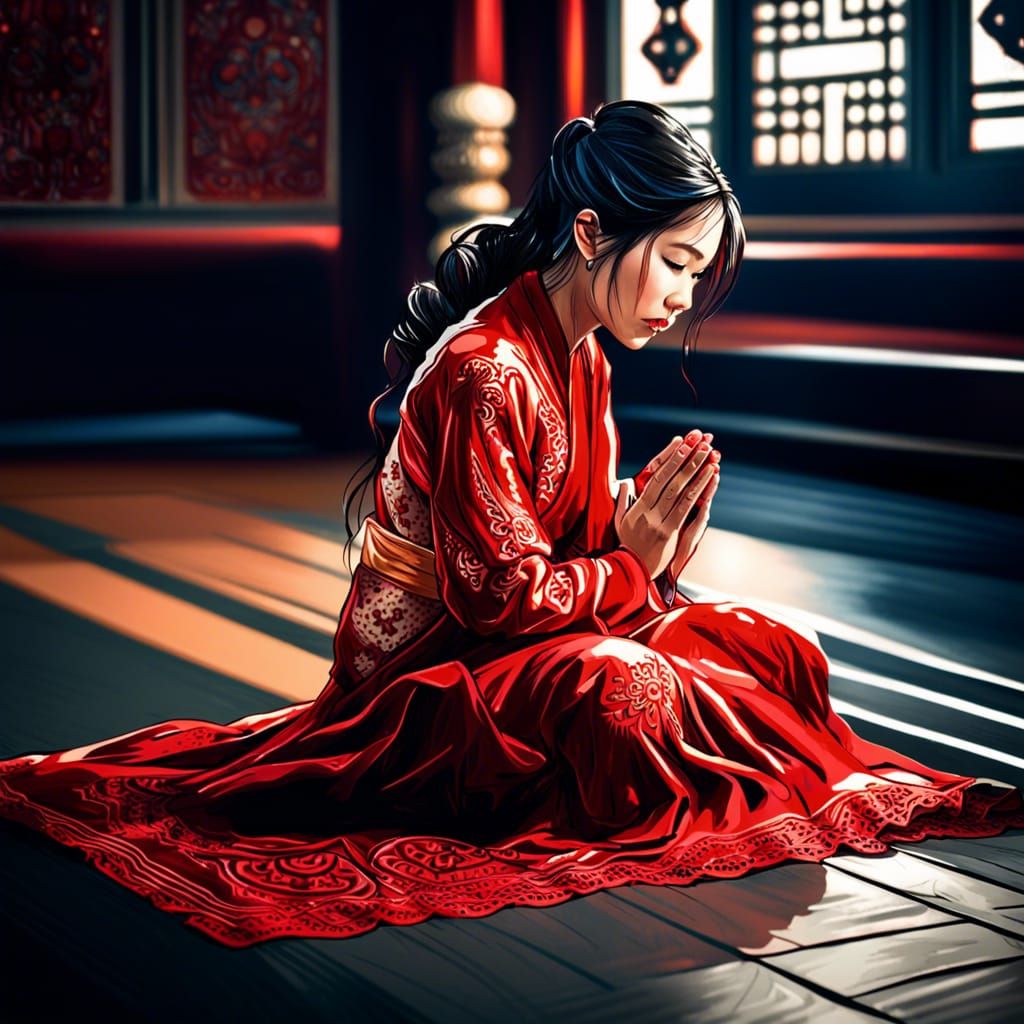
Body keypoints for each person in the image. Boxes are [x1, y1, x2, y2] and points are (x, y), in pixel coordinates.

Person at [1, 101, 1022, 949]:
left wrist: (647, 549)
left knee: (771, 647)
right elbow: (501, 598)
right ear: (592, 233)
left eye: (696, 274)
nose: (682, 297)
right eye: (675, 262)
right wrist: (632, 562)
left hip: (533, 641)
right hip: (428, 678)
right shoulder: (484, 370)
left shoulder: (582, 356)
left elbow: (582, 560)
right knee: (628, 690)